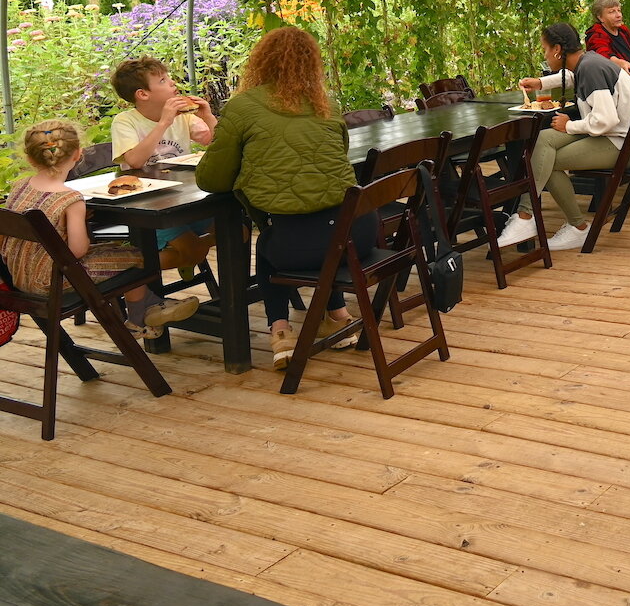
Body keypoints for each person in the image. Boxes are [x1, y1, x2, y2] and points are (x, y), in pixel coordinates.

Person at [195, 27, 366, 369]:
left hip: (300, 246)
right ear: (312, 64)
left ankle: (281, 332)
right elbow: (332, 167)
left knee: (271, 244)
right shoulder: (326, 106)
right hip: (358, 235)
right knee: (316, 227)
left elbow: (211, 179)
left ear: (261, 61)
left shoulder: (243, 107)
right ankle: (338, 317)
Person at [3, 120, 199, 337]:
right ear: (78, 154)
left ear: (30, 158)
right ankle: (139, 316)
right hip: (53, 282)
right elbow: (77, 251)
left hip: (18, 276)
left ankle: (149, 306)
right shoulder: (70, 198)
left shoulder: (19, 187)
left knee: (117, 251)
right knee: (136, 255)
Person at [499, 23, 630, 251]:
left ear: (558, 50)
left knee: (547, 161)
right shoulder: (588, 61)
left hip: (627, 146)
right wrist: (540, 83)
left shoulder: (590, 68)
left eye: (545, 49)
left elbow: (606, 119)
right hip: (623, 136)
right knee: (544, 141)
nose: (545, 55)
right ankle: (527, 218)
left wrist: (570, 125)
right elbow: (571, 76)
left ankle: (567, 226)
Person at [110, 56, 216, 272]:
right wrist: (164, 121)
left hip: (183, 199)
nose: (172, 83)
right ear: (143, 94)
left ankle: (188, 256)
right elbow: (135, 160)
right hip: (148, 207)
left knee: (236, 230)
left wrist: (208, 116)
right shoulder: (125, 121)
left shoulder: (183, 116)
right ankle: (134, 271)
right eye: (162, 80)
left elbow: (214, 142)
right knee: (191, 247)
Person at [584, 0, 630, 73]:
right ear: (600, 17)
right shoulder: (596, 35)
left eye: (619, 10)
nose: (618, 15)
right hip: (611, 82)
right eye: (612, 11)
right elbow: (602, 55)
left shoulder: (623, 31)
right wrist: (619, 63)